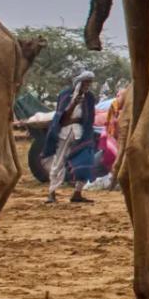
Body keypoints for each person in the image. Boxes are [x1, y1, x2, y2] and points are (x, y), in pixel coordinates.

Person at [41, 74, 101, 204]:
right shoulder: (65, 95)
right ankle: (51, 193)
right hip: (65, 132)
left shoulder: (89, 97)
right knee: (59, 162)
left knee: (86, 161)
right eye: (85, 82)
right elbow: (62, 117)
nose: (88, 85)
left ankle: (77, 193)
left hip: (81, 133)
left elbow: (89, 118)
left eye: (89, 83)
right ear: (79, 82)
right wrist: (74, 103)